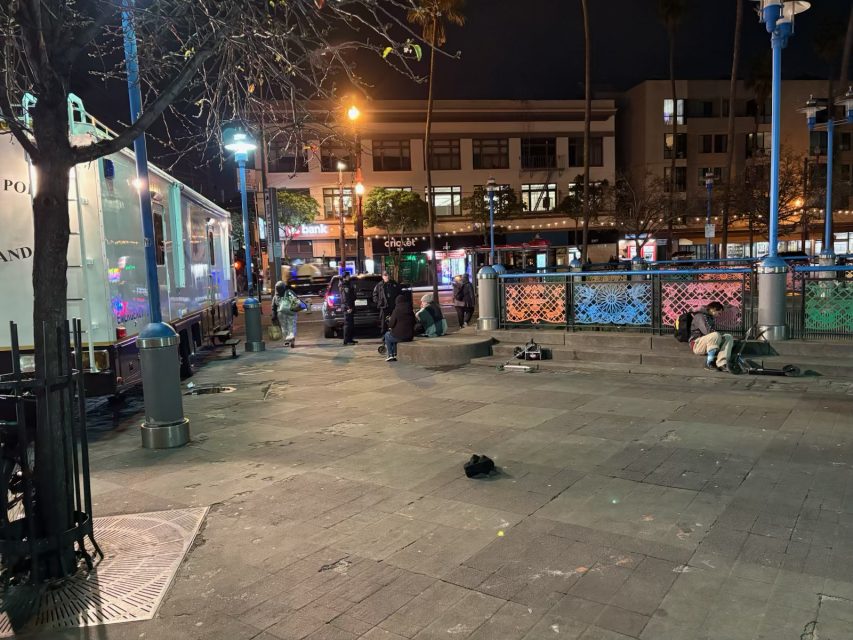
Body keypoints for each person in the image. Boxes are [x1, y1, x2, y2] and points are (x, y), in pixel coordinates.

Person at [690, 301, 734, 372]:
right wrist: (719, 335)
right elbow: (707, 332)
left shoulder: (710, 318)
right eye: (719, 313)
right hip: (697, 344)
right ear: (713, 309)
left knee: (728, 337)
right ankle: (709, 362)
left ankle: (722, 363)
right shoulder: (700, 316)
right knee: (715, 335)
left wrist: (721, 337)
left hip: (707, 344)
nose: (719, 315)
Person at [384, 294, 415, 362]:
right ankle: (395, 353)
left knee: (387, 335)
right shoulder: (410, 310)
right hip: (410, 336)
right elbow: (414, 322)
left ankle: (390, 355)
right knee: (393, 334)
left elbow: (391, 324)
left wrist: (389, 321)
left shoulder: (397, 310)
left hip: (400, 337)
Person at [271, 281, 301, 345]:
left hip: (281, 313)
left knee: (283, 326)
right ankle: (292, 335)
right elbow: (296, 300)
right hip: (291, 311)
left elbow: (274, 306)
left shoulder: (276, 296)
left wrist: (274, 315)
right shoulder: (289, 292)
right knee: (292, 324)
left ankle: (286, 339)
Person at [339, 272, 358, 345]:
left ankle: (350, 339)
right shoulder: (344, 285)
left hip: (350, 306)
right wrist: (348, 307)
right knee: (347, 324)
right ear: (346, 277)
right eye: (348, 276)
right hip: (347, 307)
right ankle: (346, 340)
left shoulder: (347, 284)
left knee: (351, 324)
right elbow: (345, 298)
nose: (349, 277)